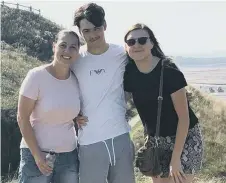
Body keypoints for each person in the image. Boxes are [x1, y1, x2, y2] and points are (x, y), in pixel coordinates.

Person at [123, 23, 203, 183]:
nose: (136, 45)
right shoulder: (129, 74)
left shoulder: (169, 71)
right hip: (156, 141)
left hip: (183, 138)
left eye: (142, 40)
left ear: (152, 43)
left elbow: (184, 119)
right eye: (131, 42)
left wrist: (175, 160)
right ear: (126, 47)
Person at [71, 3, 135, 183]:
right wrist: (71, 115)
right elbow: (59, 88)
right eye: (87, 30)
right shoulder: (75, 59)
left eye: (97, 28)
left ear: (105, 25)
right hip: (90, 141)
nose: (92, 35)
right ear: (80, 31)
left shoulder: (122, 54)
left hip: (121, 137)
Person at [17, 29, 81, 183]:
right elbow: (22, 118)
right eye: (63, 45)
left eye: (73, 47)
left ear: (78, 51)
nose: (67, 51)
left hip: (69, 156)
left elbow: (66, 109)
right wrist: (37, 155)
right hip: (37, 155)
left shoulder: (76, 79)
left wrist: (79, 116)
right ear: (54, 47)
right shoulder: (36, 76)